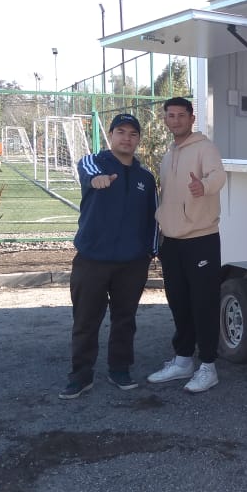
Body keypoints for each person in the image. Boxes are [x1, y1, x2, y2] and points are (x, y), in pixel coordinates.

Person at [59, 113, 157, 400]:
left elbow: (152, 218)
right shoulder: (94, 162)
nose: (127, 138)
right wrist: (97, 179)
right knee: (85, 320)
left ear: (138, 140)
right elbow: (87, 172)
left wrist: (150, 252)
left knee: (125, 319)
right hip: (92, 259)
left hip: (132, 263)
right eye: (121, 132)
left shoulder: (145, 178)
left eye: (133, 134)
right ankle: (80, 375)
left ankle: (120, 369)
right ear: (111, 135)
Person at [147, 97, 227, 393]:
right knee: (178, 302)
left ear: (192, 118)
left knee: (203, 304)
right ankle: (183, 360)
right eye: (171, 115)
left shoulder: (205, 148)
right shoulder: (168, 154)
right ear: (165, 119)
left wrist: (203, 186)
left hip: (201, 240)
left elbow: (218, 175)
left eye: (182, 115)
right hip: (172, 241)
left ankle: (208, 366)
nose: (176, 120)